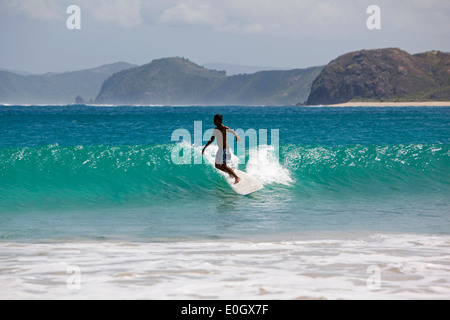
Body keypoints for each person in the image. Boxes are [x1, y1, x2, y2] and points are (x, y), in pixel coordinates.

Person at [202, 114, 242, 184]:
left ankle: (237, 177)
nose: (214, 121)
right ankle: (230, 173)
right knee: (217, 166)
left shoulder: (224, 128)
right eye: (214, 120)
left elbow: (232, 131)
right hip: (220, 150)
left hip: (225, 149)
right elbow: (211, 139)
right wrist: (204, 148)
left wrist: (236, 136)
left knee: (224, 165)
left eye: (216, 120)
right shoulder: (215, 129)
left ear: (220, 121)